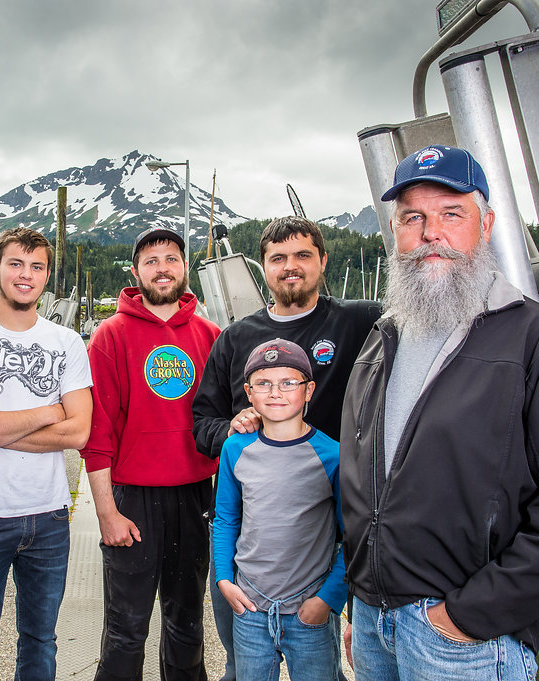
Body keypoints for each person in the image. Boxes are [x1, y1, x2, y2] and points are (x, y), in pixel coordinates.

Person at [340, 144, 539, 680]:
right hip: (376, 624)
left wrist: (469, 615)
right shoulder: (382, 341)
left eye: (451, 214)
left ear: (486, 224)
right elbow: (361, 481)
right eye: (413, 218)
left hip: (463, 641)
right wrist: (361, 599)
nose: (430, 234)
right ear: (395, 231)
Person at [192, 215, 379, 680]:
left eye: (302, 256)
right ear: (263, 267)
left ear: (323, 261)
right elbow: (201, 423)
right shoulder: (236, 339)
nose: (290, 267)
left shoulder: (360, 321)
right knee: (244, 665)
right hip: (254, 539)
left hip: (326, 535)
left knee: (322, 661)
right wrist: (232, 429)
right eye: (278, 258)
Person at [0, 227, 92, 681]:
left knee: (40, 640)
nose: (25, 275)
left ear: (47, 276)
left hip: (49, 515)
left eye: (36, 267)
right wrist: (50, 410)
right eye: (15, 263)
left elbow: (80, 431)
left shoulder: (66, 343)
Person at [82, 227, 221, 681]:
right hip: (132, 498)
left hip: (195, 495)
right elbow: (98, 433)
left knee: (186, 626)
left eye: (171, 258)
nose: (162, 268)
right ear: (136, 271)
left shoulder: (211, 335)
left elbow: (229, 425)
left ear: (184, 267)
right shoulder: (110, 335)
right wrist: (106, 513)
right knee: (126, 630)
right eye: (151, 260)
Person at [214, 338, 345, 681]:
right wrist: (225, 580)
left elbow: (355, 536)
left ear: (309, 390)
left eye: (289, 383)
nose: (276, 393)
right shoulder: (235, 448)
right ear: (249, 392)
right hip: (251, 609)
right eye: (264, 384)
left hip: (309, 611)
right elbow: (226, 519)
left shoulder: (333, 456)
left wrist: (329, 599)